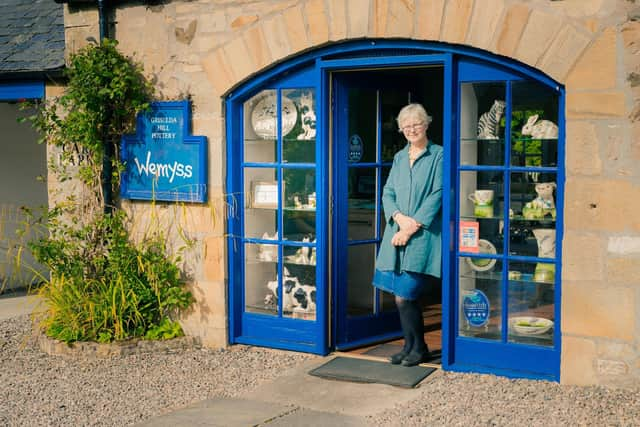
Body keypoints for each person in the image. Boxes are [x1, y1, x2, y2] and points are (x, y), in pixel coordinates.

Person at [372, 103, 443, 367]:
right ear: (401, 130)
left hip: (421, 236)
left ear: (426, 124)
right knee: (398, 295)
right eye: (406, 126)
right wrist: (399, 219)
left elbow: (438, 194)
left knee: (406, 294)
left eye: (417, 124)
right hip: (397, 233)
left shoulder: (439, 155)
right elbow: (387, 192)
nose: (411, 129)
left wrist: (411, 227)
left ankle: (420, 347)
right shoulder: (400, 157)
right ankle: (409, 346)